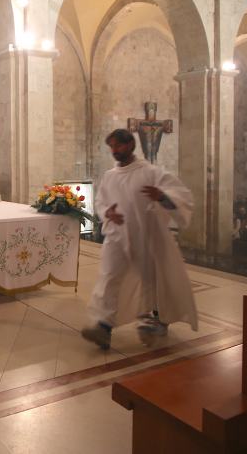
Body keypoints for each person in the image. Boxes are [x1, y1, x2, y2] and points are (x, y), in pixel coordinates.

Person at [81, 129, 197, 350]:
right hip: (116, 235)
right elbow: (101, 202)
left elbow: (182, 195)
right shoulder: (109, 176)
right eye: (112, 147)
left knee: (149, 279)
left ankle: (152, 321)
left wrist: (163, 196)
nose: (115, 151)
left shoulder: (151, 172)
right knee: (109, 277)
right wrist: (108, 213)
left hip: (147, 236)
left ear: (131, 145)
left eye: (119, 146)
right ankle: (103, 326)